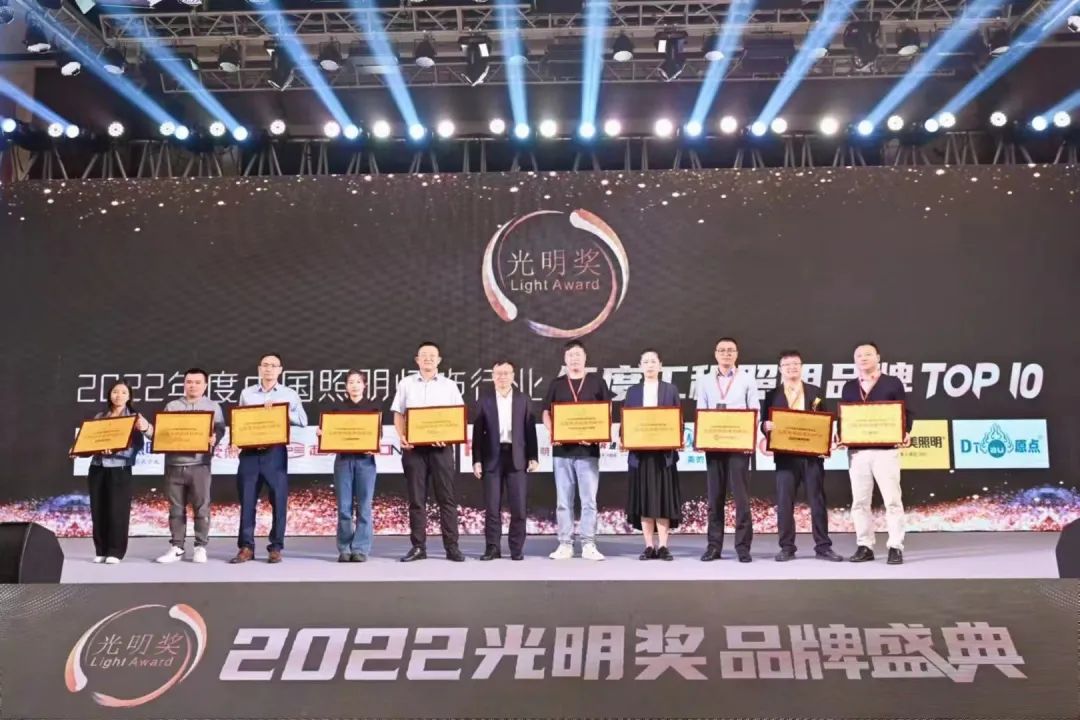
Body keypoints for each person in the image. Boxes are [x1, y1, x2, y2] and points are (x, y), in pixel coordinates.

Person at [760, 350, 843, 563]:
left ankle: (823, 547)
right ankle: (787, 547)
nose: (792, 368)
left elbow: (825, 421)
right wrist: (765, 426)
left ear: (802, 366)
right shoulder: (772, 394)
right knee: (785, 503)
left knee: (817, 501)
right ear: (780, 369)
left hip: (811, 457)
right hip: (785, 457)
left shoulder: (815, 391)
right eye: (787, 365)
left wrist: (825, 442)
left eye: (795, 364)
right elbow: (763, 423)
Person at [838, 342, 913, 565]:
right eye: (859, 355)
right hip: (858, 452)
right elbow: (844, 417)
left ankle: (895, 546)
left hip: (886, 451)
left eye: (868, 354)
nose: (863, 358)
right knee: (860, 502)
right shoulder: (849, 387)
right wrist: (840, 435)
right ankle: (865, 546)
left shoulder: (892, 382)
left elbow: (905, 411)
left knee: (892, 501)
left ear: (878, 357)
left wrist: (905, 431)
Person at [391, 341, 467, 562]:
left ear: (439, 360)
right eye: (424, 355)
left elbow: (458, 416)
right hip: (414, 450)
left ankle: (452, 547)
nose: (428, 358)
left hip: (441, 450)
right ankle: (418, 548)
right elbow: (398, 413)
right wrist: (402, 436)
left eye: (432, 355)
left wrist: (448, 436)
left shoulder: (449, 385)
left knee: (447, 499)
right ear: (417, 360)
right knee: (417, 500)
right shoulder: (406, 384)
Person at [229, 353, 308, 564]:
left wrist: (282, 411)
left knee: (279, 501)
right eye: (265, 365)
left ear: (280, 370)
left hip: (275, 453)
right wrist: (235, 440)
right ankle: (246, 547)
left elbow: (303, 420)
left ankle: (276, 547)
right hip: (249, 454)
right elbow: (240, 422)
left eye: (273, 365)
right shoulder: (247, 393)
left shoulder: (289, 394)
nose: (269, 369)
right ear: (259, 368)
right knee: (247, 501)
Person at [542, 340, 613, 561]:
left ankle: (588, 543)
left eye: (578, 355)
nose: (574, 359)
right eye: (570, 355)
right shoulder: (557, 384)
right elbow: (546, 412)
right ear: (565, 359)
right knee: (563, 501)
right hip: (562, 452)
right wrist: (553, 432)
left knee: (589, 501)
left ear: (585, 358)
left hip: (588, 452)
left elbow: (607, 411)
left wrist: (599, 434)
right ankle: (565, 544)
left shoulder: (597, 382)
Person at [149, 368, 226, 564]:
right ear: (184, 384)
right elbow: (163, 433)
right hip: (174, 465)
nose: (193, 385)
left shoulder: (213, 407)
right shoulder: (172, 406)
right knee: (175, 509)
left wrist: (214, 437)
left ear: (205, 385)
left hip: (200, 465)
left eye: (197, 382)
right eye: (189, 382)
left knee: (201, 508)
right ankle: (177, 547)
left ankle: (200, 546)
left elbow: (219, 430)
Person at [696, 337, 761, 563]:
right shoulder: (704, 380)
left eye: (730, 350)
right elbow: (701, 410)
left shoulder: (747, 379)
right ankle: (714, 547)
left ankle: (743, 547)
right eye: (722, 350)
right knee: (715, 498)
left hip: (739, 446)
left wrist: (749, 438)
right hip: (714, 445)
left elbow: (755, 410)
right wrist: (702, 438)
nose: (726, 354)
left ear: (737, 354)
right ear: (715, 354)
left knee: (741, 499)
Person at [471, 359, 539, 561]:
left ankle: (516, 549)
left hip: (517, 457)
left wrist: (533, 456)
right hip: (492, 458)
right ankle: (492, 548)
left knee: (519, 507)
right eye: (498, 373)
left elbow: (530, 430)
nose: (502, 377)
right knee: (492, 507)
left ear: (513, 376)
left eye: (506, 373)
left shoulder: (523, 399)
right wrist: (476, 460)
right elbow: (477, 433)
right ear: (492, 376)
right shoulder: (484, 400)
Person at [624, 349, 682, 561]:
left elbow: (678, 419)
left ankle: (663, 546)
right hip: (640, 455)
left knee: (663, 500)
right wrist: (625, 438)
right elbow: (626, 421)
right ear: (640, 366)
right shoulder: (632, 392)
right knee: (645, 500)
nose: (649, 365)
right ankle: (649, 546)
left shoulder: (670, 389)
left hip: (663, 455)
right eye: (646, 361)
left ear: (660, 365)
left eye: (653, 361)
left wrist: (676, 438)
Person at [84, 379, 150, 564]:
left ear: (129, 397)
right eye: (115, 392)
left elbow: (137, 445)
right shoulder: (100, 416)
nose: (118, 395)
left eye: (123, 392)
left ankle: (115, 551)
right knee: (98, 510)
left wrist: (115, 451)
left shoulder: (134, 418)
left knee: (117, 511)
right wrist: (80, 450)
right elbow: (90, 440)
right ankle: (101, 550)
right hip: (97, 468)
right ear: (109, 395)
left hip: (119, 469)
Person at [322, 370, 381, 563]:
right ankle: (345, 548)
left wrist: (374, 444)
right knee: (344, 507)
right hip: (343, 460)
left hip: (365, 461)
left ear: (365, 385)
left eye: (358, 382)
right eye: (350, 382)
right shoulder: (336, 408)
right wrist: (323, 434)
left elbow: (377, 434)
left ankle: (361, 549)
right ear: (346, 386)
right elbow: (330, 432)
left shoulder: (373, 407)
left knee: (364, 506)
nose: (354, 385)